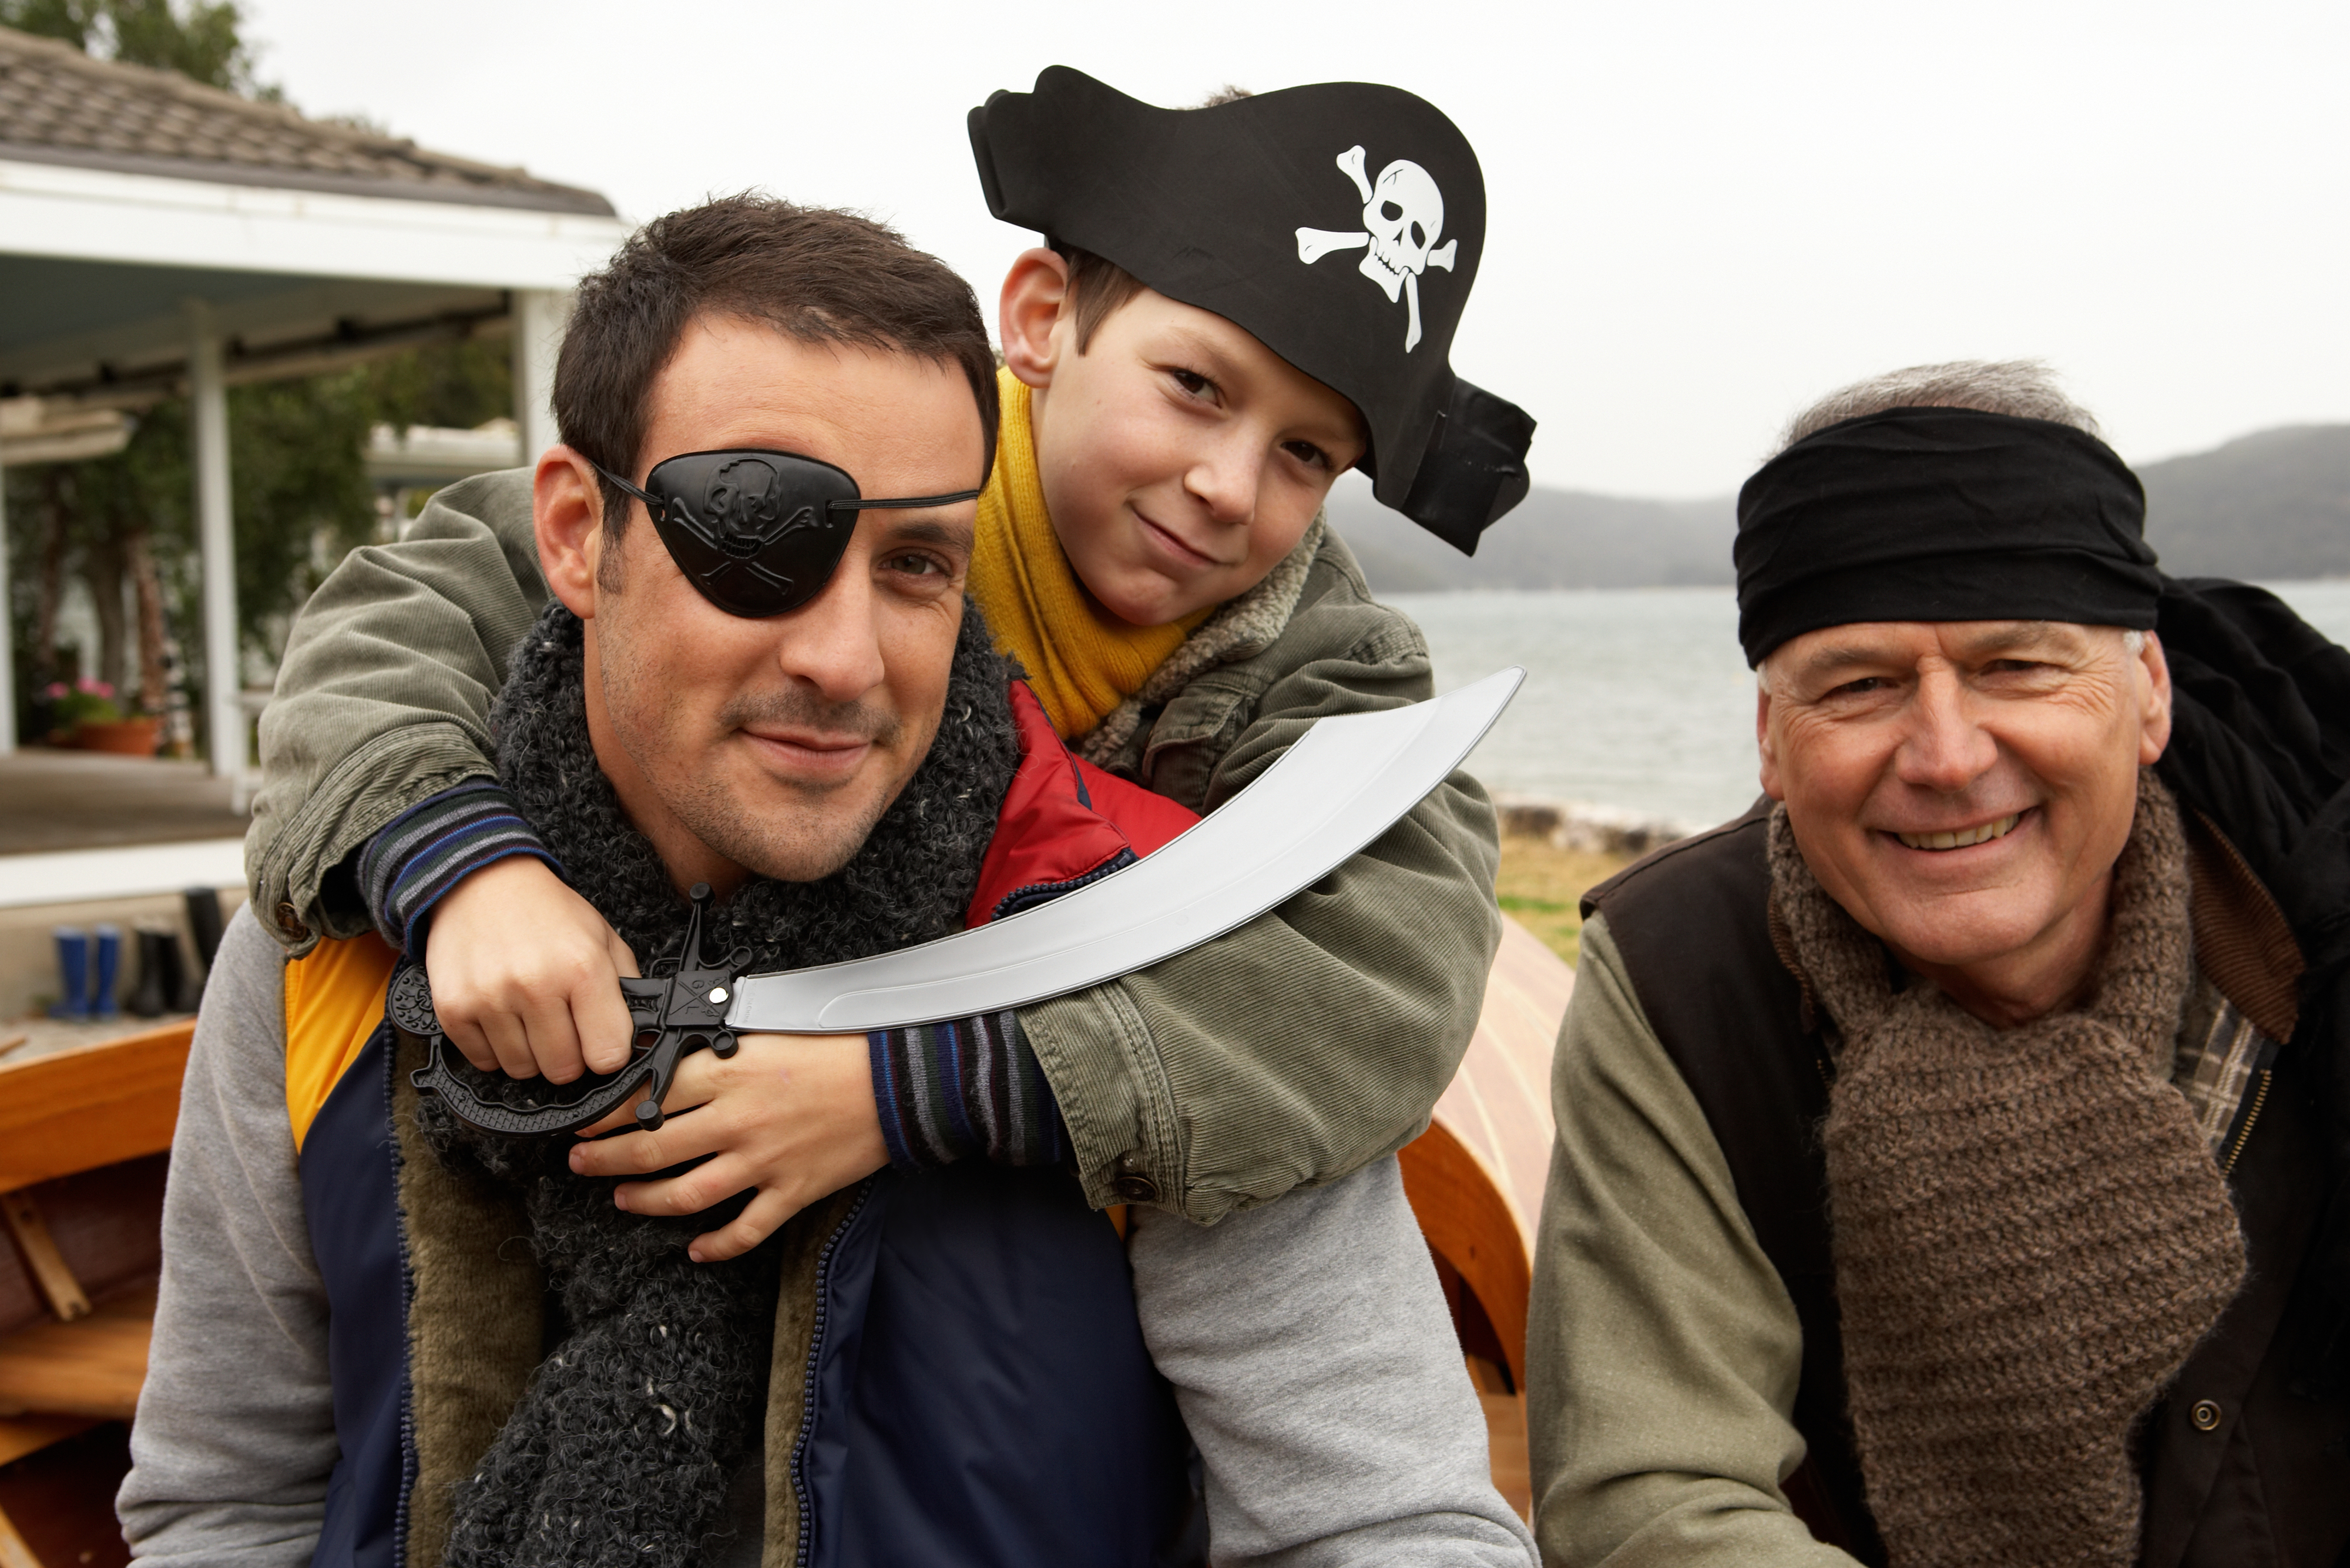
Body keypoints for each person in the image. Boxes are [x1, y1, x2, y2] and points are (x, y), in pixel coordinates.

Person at [119, 197, 1535, 1568]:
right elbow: (223, 1502)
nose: (843, 660)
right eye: (757, 537)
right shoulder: (334, 951)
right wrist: (455, 866)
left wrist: (926, 1078)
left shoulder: (1165, 941)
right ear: (574, 539)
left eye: (920, 563)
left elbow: (1382, 1523)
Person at [242, 68, 1536, 1258]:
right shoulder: (870, 451)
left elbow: (1392, 977)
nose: (1224, 483)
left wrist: (909, 1084)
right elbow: (410, 607)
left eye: (1307, 454)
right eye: (1195, 384)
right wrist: (466, 871)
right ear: (1037, 318)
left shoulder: (1327, 681)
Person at [1525, 361, 2350, 1567]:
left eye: (2014, 666)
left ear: (2147, 693)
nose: (1947, 756)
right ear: (1768, 738)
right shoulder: (1676, 973)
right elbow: (1649, 1499)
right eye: (1857, 686)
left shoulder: (2310, 936)